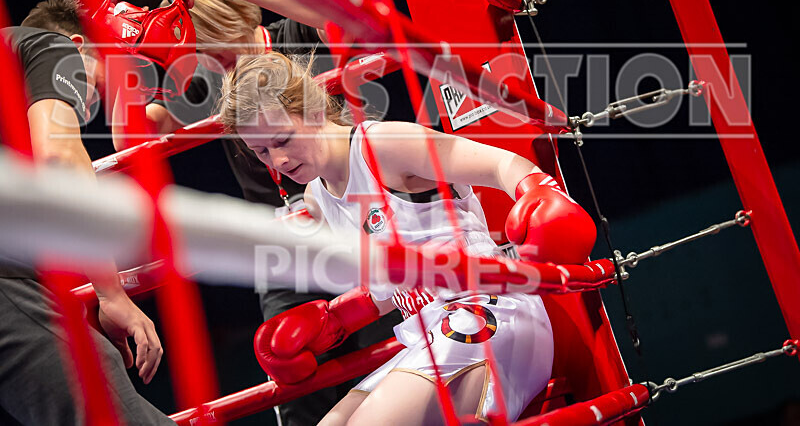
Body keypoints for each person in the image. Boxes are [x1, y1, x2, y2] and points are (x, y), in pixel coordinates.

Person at [218, 52, 597, 423]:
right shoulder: (319, 196)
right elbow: (390, 285)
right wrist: (336, 320)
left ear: (315, 112)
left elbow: (501, 164)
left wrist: (539, 192)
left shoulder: (381, 145)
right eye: (262, 151)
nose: (279, 162)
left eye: (283, 139)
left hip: (490, 309)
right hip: (428, 334)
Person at [126, 0, 402, 425]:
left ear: (241, 24)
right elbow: (132, 138)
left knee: (392, 361)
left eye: (225, 58)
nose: (224, 77)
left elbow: (345, 15)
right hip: (284, 245)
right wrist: (135, 58)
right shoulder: (206, 79)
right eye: (206, 62)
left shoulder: (297, 32)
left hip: (359, 220)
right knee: (291, 379)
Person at [0, 0, 174, 424]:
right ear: (78, 45)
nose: (96, 99)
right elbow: (59, 157)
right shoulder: (51, 48)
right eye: (99, 81)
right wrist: (110, 292)